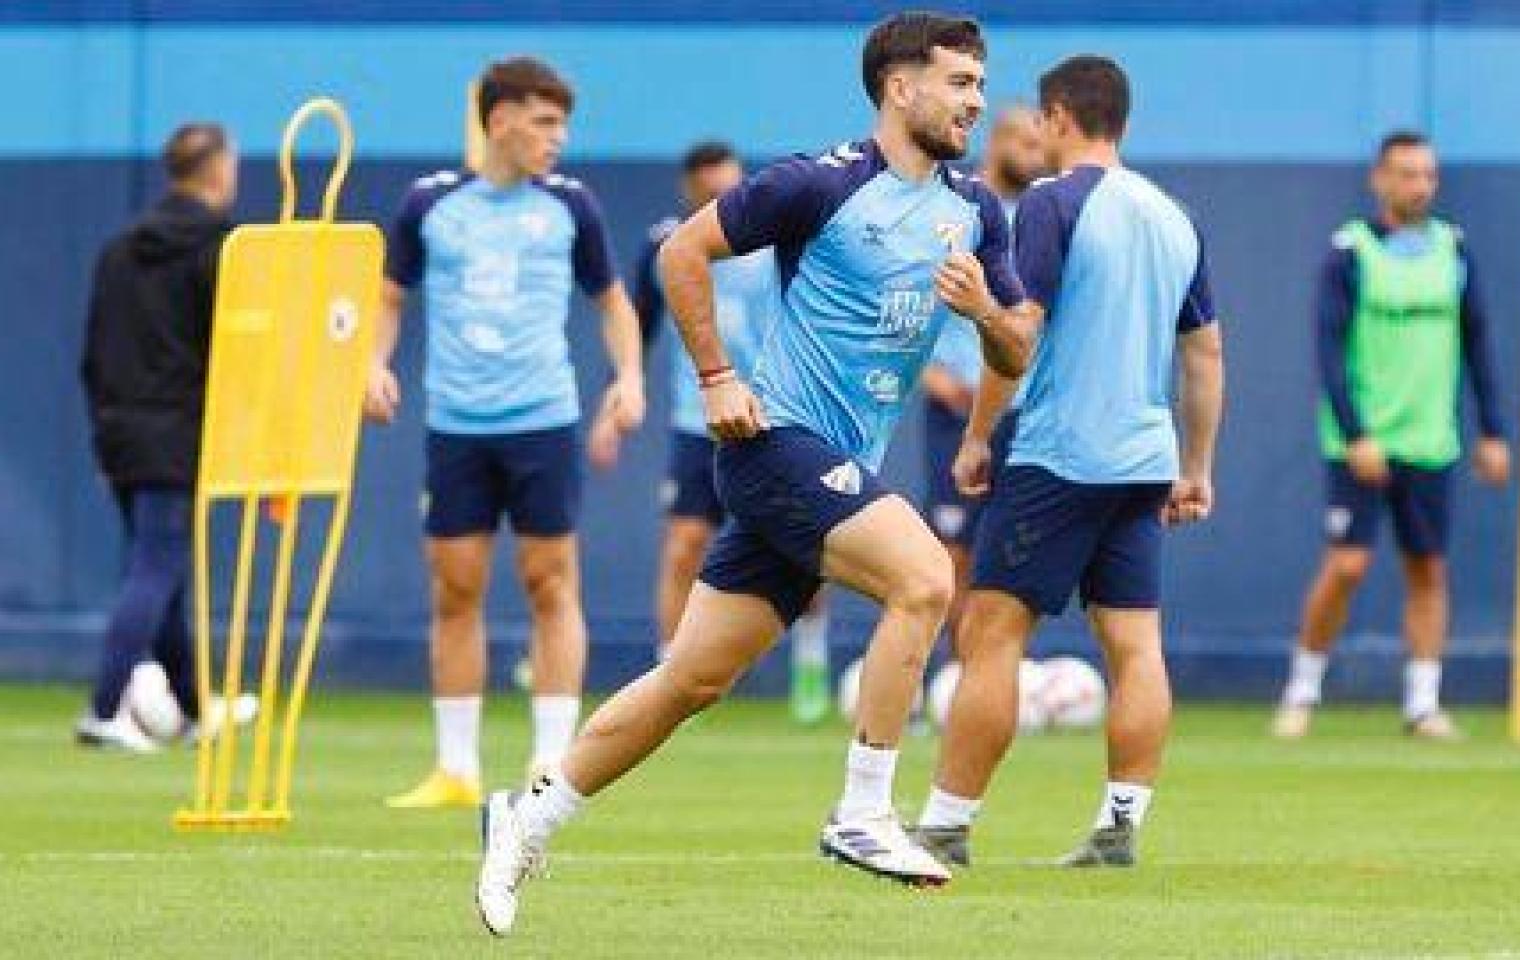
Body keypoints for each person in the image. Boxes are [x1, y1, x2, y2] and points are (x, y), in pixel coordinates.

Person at [476, 12, 1036, 934]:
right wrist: (717, 377)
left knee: (688, 683)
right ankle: (863, 811)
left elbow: (1017, 345)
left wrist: (984, 312)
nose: (976, 100)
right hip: (774, 446)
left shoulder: (974, 211)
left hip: (836, 467)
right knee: (927, 576)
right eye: (960, 82)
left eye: (981, 84)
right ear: (901, 88)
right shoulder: (816, 184)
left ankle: (526, 817)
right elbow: (680, 252)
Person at [912, 54, 1224, 869]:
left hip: (1059, 455)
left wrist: (978, 436)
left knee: (992, 632)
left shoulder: (1052, 203)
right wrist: (1197, 467)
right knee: (1134, 645)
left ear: (1058, 118)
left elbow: (1016, 336)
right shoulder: (1173, 214)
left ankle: (945, 824)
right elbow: (1205, 354)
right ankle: (1121, 823)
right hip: (1145, 461)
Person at [369, 56, 645, 808]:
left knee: (550, 583)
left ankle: (551, 761)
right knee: (454, 590)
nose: (558, 139)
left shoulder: (571, 205)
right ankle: (455, 768)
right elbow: (389, 298)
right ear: (500, 122)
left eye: (563, 124)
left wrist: (628, 377)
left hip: (543, 423)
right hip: (454, 427)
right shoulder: (430, 204)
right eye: (545, 123)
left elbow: (613, 302)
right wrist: (372, 363)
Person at [1271, 131, 1511, 742]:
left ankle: (1423, 704)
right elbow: (1327, 348)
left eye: (1427, 174)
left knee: (1427, 568)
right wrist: (1356, 434)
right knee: (1348, 565)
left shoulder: (1453, 250)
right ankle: (1301, 691)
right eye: (1406, 174)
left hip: (1431, 441)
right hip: (1364, 445)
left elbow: (1478, 341)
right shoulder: (1349, 253)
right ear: (1380, 179)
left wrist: (1492, 431)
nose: (1419, 185)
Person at [629, 141, 834, 724]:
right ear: (693, 193)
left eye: (735, 187)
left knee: (811, 551)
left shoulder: (774, 241)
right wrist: (625, 392)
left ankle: (811, 666)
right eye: (716, 192)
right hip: (698, 424)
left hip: (775, 420)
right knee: (684, 546)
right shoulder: (667, 247)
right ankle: (668, 672)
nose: (730, 200)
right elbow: (638, 326)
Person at [78, 122, 245, 751]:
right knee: (155, 567)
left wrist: (104, 436)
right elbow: (239, 351)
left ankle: (196, 711)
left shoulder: (118, 248)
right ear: (218, 169)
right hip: (178, 430)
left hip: (120, 430)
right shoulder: (226, 249)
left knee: (165, 574)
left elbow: (93, 352)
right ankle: (104, 707)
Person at [921, 104, 1043, 638]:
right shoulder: (952, 207)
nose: (1035, 157)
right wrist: (930, 374)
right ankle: (933, 678)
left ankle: (981, 675)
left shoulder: (1044, 217)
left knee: (1011, 552)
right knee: (950, 551)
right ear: (995, 142)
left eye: (1043, 146)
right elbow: (904, 297)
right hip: (955, 410)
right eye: (1025, 143)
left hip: (1023, 414)